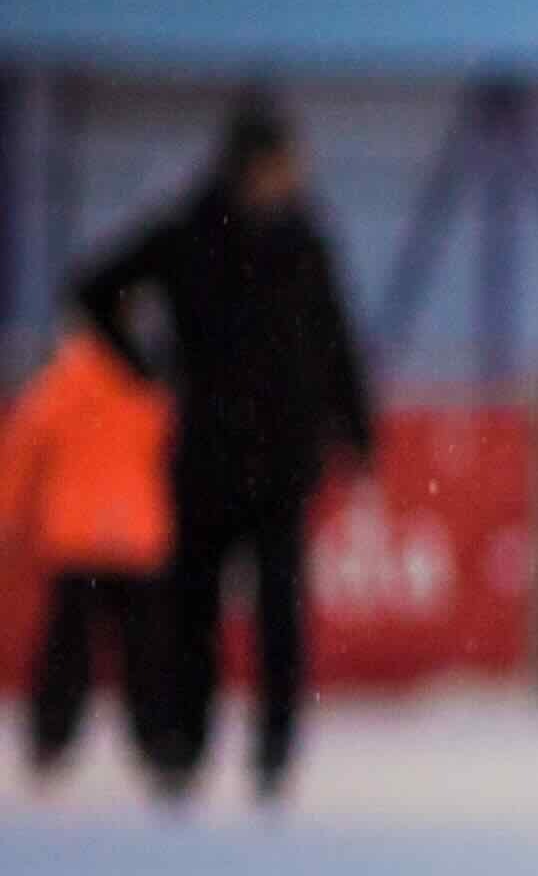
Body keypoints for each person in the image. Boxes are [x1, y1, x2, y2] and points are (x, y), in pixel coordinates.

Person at [75, 95, 376, 808]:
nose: (293, 177)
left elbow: (334, 338)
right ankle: (184, 744)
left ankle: (273, 747)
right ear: (253, 164)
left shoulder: (304, 242)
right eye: (283, 163)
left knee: (278, 610)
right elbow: (93, 288)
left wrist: (354, 425)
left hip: (281, 461)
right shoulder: (190, 233)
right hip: (209, 456)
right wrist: (143, 365)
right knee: (194, 608)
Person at [4, 305, 178, 784]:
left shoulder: (64, 379)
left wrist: (9, 513)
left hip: (77, 538)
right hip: (136, 538)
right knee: (145, 655)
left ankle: (50, 740)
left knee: (68, 652)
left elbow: (22, 446)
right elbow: (175, 452)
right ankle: (159, 744)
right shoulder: (149, 380)